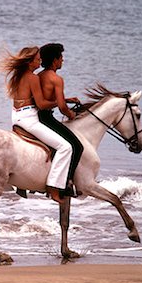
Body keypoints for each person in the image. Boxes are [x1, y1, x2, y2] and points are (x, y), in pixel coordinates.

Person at [0, 46, 75, 204]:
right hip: (29, 119)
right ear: (29, 62)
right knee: (65, 147)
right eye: (37, 59)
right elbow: (41, 104)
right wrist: (60, 102)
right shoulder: (32, 78)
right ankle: (54, 187)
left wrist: (65, 100)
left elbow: (32, 100)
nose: (40, 61)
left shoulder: (18, 76)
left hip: (17, 116)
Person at [38, 43, 84, 197]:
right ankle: (66, 183)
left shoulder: (39, 76)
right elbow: (61, 108)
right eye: (61, 57)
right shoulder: (57, 79)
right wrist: (71, 114)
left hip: (37, 115)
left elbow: (47, 97)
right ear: (54, 60)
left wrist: (68, 99)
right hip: (46, 117)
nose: (62, 61)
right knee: (76, 146)